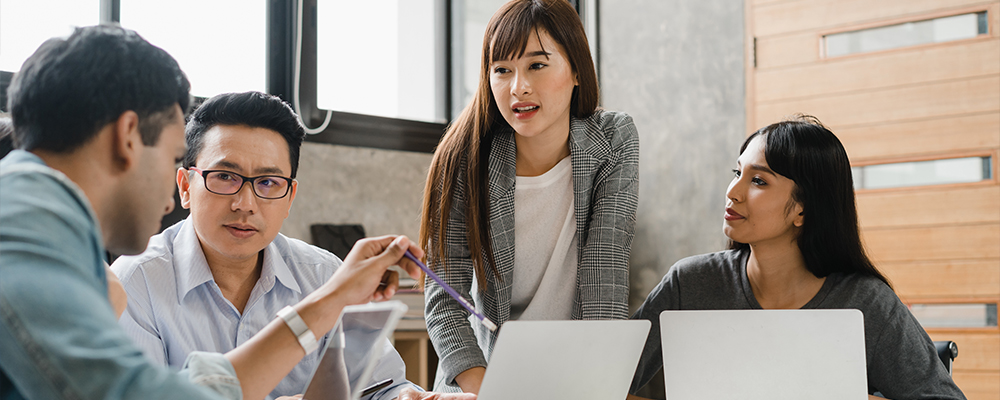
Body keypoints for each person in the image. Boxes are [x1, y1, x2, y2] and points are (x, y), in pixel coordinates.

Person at [0, 25, 424, 400]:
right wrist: (330, 302)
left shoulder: (46, 225)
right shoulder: (25, 227)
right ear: (129, 137)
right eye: (170, 160)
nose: (168, 199)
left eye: (268, 183)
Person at [112, 91, 472, 400]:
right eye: (225, 177)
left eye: (268, 182)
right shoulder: (136, 283)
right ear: (186, 186)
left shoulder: (323, 273)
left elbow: (380, 385)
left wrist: (405, 396)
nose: (245, 203)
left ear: (289, 198)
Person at [628, 116, 966, 400]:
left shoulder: (866, 302)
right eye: (737, 173)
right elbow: (611, 382)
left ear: (803, 209)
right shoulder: (690, 283)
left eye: (758, 180)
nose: (733, 192)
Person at [419, 0, 639, 393]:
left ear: (575, 69)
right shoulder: (464, 155)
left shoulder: (613, 138)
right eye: (502, 70)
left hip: (574, 372)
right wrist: (486, 390)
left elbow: (606, 270)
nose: (518, 86)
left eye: (537, 65)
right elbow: (444, 295)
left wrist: (597, 383)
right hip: (482, 377)